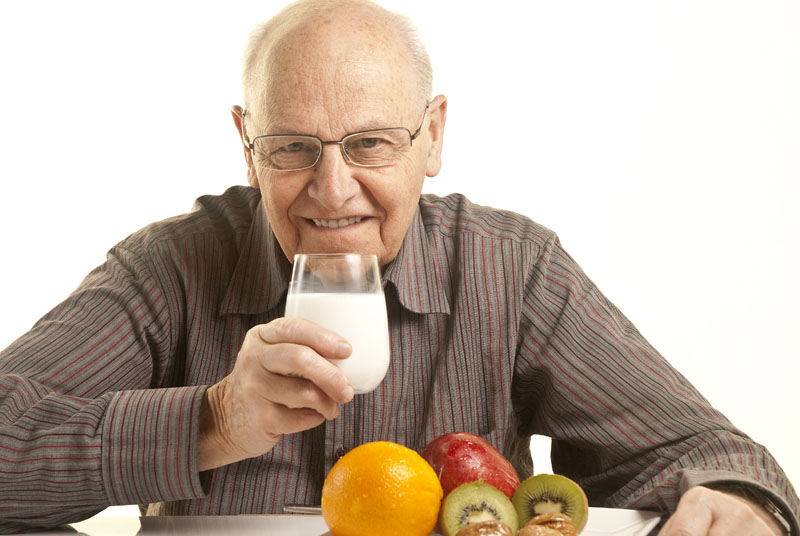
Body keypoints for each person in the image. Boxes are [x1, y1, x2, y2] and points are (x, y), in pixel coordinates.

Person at [0, 0, 797, 534]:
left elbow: (710, 453)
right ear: (247, 144)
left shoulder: (509, 269)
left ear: (433, 138)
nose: (332, 188)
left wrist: (730, 502)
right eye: (293, 147)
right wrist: (214, 420)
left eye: (370, 143)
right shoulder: (171, 268)